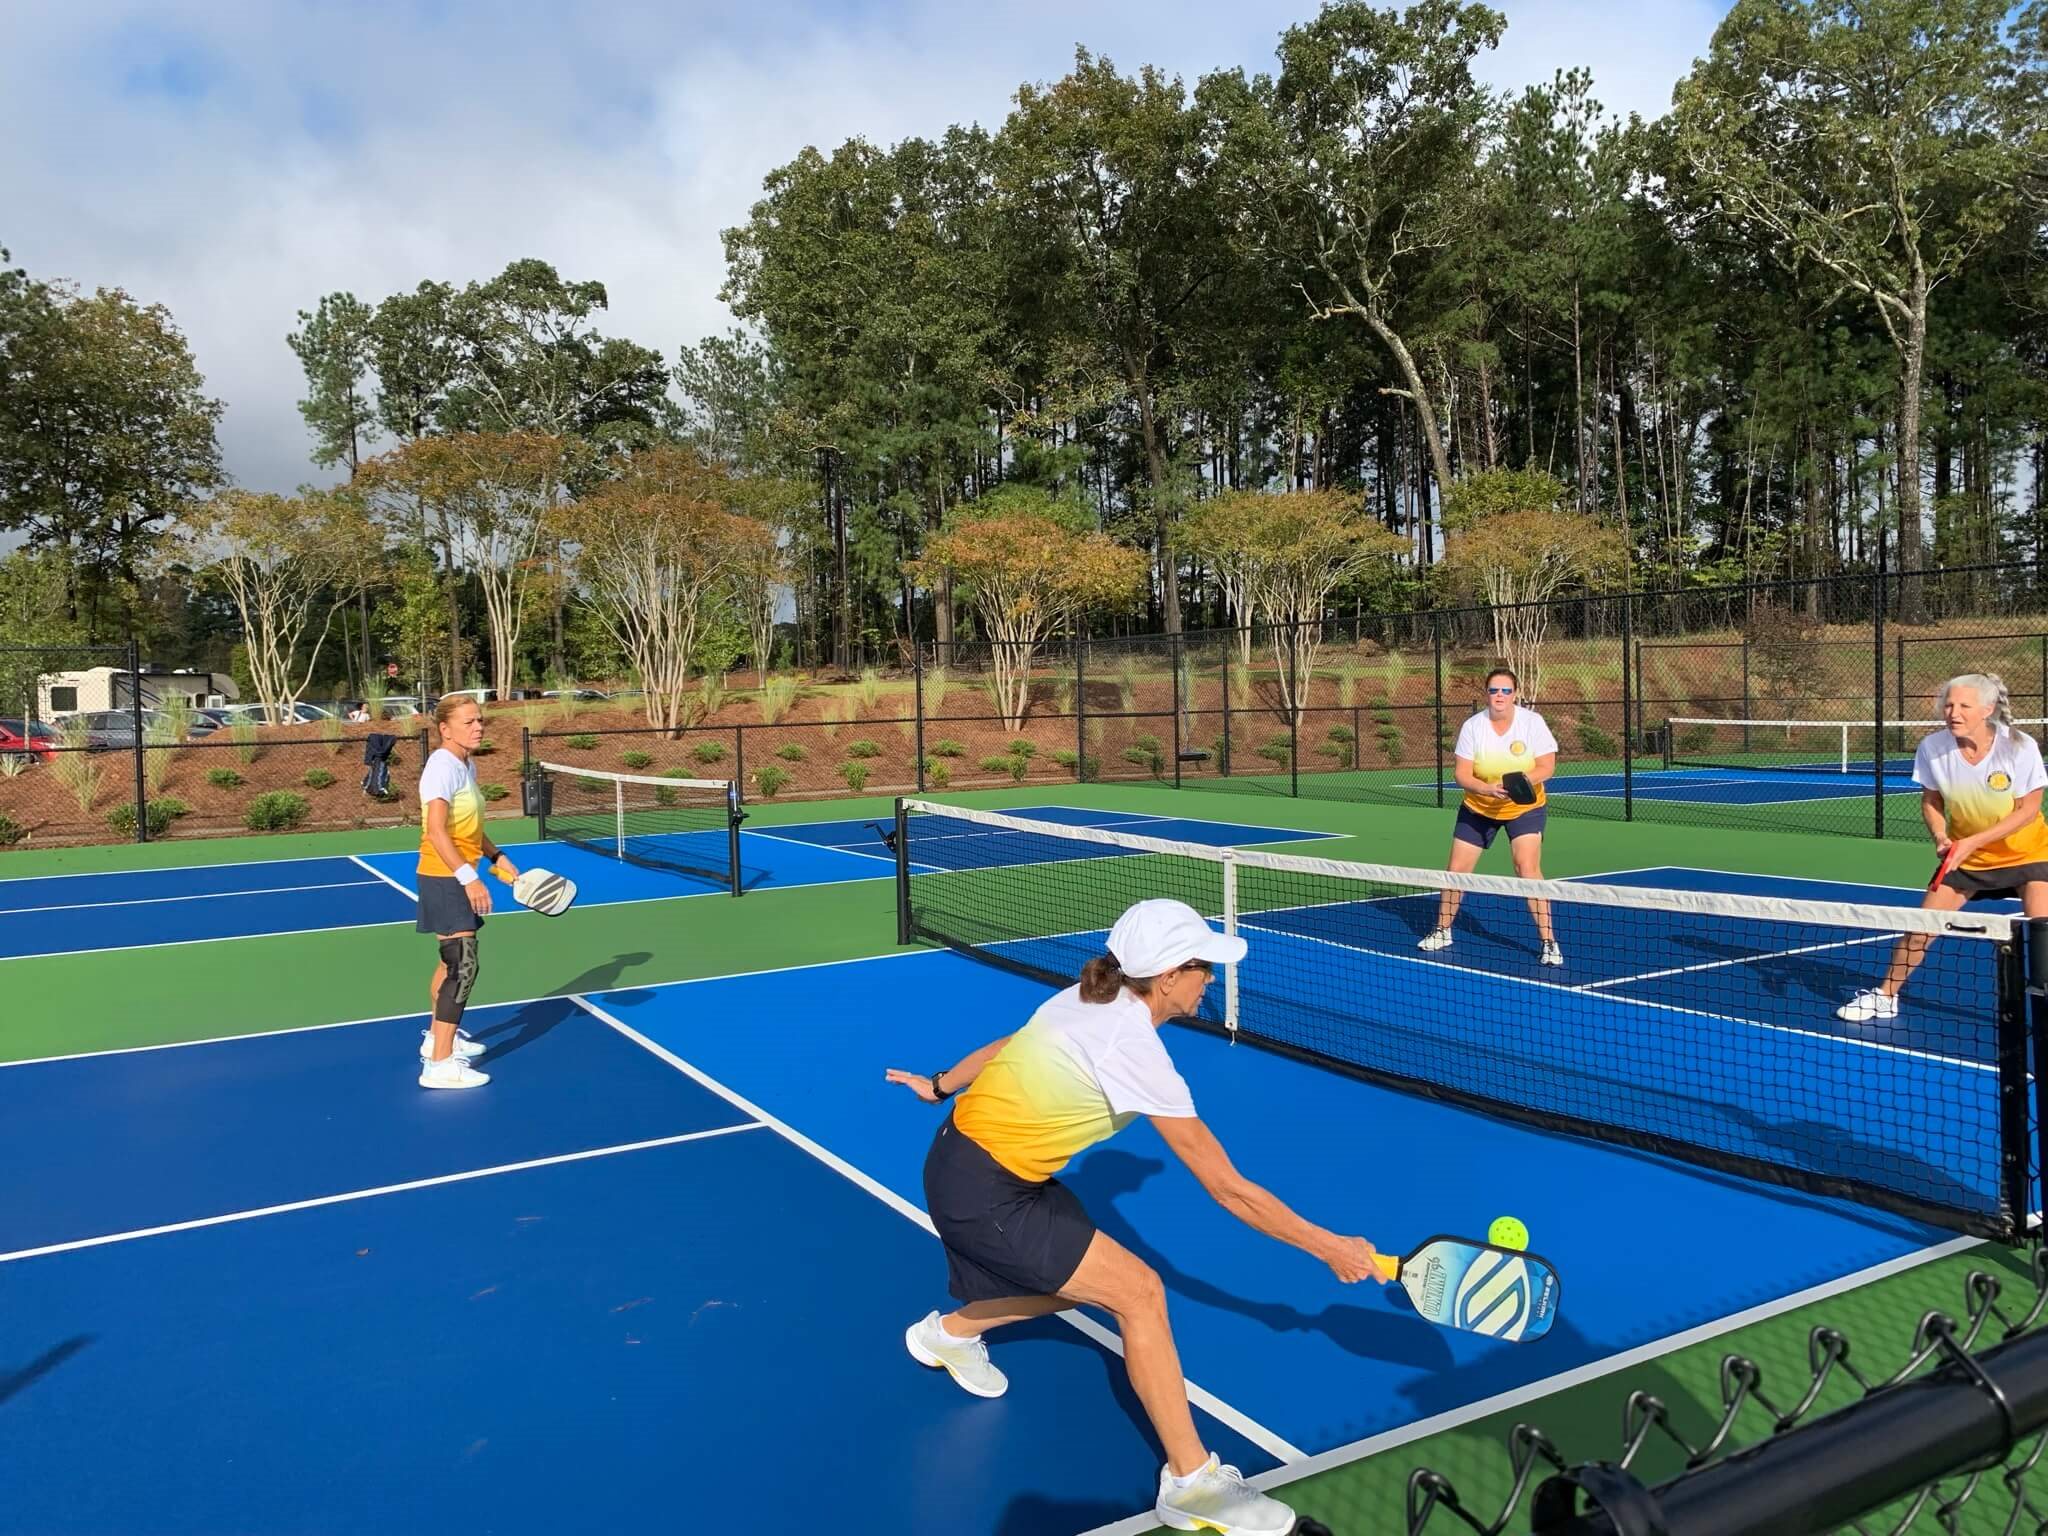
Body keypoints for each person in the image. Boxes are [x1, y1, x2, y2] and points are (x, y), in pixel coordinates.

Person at [886, 898, 1382, 1536]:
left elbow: (1013, 1044)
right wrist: (1331, 1247)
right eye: (1203, 967)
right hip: (985, 1191)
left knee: (1065, 1290)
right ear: (1170, 978)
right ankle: (1192, 1484)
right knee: (1140, 1294)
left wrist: (940, 1084)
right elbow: (1227, 1189)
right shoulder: (1134, 1050)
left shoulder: (1092, 997)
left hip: (976, 1162)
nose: (1212, 979)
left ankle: (945, 1335)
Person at [1838, 673, 2048, 1022]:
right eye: (1948, 705)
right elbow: (1931, 801)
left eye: (1964, 705)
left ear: (1987, 709)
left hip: (2029, 855)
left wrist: (1972, 842)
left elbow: (2028, 811)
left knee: (2043, 934)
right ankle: (1885, 996)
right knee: (1921, 929)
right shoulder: (1933, 748)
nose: (1953, 712)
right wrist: (1941, 836)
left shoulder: (2019, 745)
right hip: (1967, 860)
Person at [1417, 666, 1562, 964]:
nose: (1499, 696)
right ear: (1487, 694)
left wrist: (1519, 784)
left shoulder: (1532, 723)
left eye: (1506, 691)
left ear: (1515, 694)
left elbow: (1547, 767)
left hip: (1525, 807)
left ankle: (1549, 942)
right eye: (1494, 690)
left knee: (1526, 868)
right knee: (1456, 871)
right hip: (1479, 807)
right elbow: (1461, 774)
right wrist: (1486, 789)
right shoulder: (1473, 727)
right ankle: (1442, 930)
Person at [416, 695, 518, 1089]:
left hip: (451, 874)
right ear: (445, 729)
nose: (478, 727)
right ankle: (439, 1065)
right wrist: (469, 877)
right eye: (469, 722)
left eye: (480, 720)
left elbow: (469, 825)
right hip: (444, 876)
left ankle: (436, 1041)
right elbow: (436, 830)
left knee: (449, 963)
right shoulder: (440, 767)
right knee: (463, 964)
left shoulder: (465, 764)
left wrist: (497, 855)